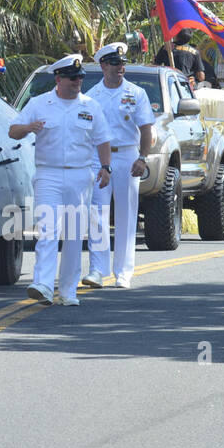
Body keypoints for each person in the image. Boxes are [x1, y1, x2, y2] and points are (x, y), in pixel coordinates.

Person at [8, 54, 111, 306]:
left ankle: (68, 291)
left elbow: (103, 139)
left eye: (80, 78)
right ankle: (42, 284)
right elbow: (13, 131)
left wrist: (106, 167)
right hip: (48, 173)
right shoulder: (39, 103)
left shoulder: (90, 106)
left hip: (79, 175)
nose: (77, 82)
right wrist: (29, 127)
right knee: (48, 230)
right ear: (59, 78)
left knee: (74, 235)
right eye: (73, 78)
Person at [83, 42, 153, 290]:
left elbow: (146, 130)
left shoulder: (137, 93)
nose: (120, 67)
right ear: (103, 66)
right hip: (97, 159)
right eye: (115, 63)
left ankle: (123, 272)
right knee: (97, 214)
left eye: (122, 63)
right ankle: (97, 270)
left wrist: (142, 158)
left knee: (125, 215)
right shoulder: (91, 96)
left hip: (127, 156)